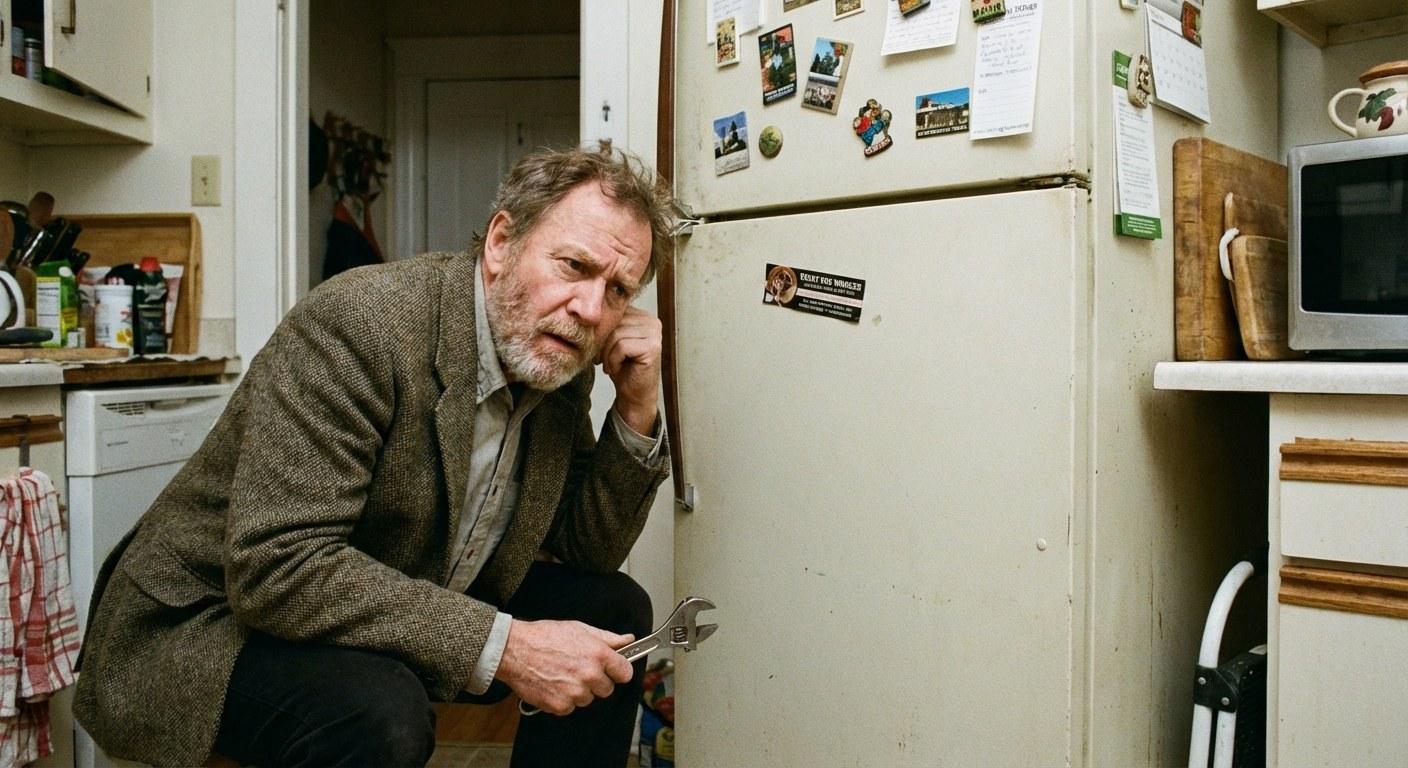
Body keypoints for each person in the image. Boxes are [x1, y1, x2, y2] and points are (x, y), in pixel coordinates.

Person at [73, 143, 676, 768]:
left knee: (613, 613)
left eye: (617, 290)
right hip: (210, 623)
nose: (590, 310)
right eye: (574, 266)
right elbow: (276, 568)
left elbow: (588, 550)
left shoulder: (557, 354)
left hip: (391, 579)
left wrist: (635, 410)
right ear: (501, 243)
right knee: (382, 711)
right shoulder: (362, 325)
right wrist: (511, 648)